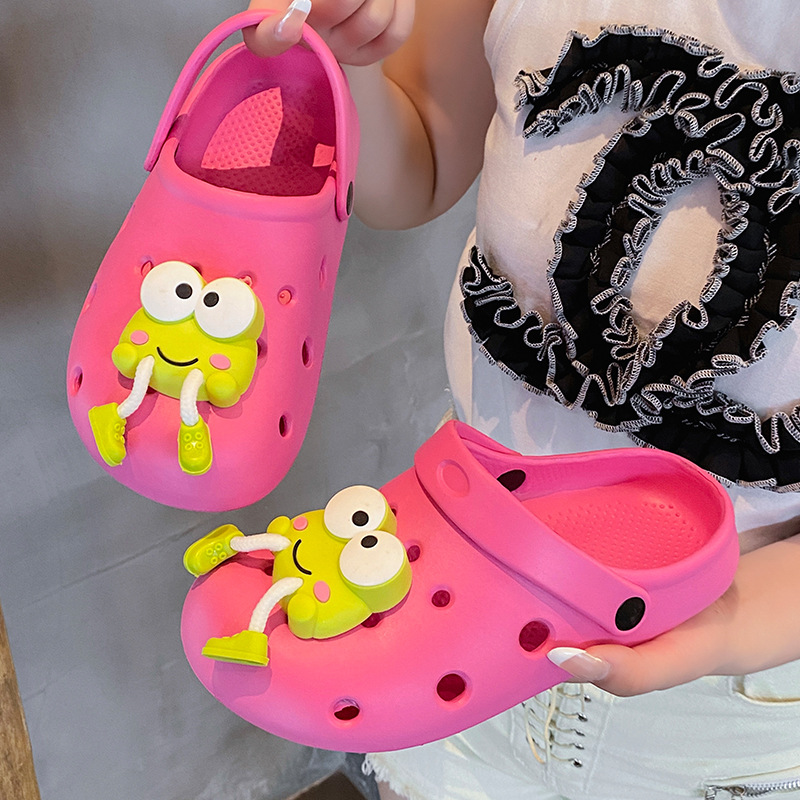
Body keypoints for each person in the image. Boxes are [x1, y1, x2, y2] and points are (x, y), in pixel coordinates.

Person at [242, 2, 800, 798]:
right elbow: (421, 155)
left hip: (720, 708)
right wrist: (344, 58)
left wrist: (724, 631)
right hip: (455, 573)